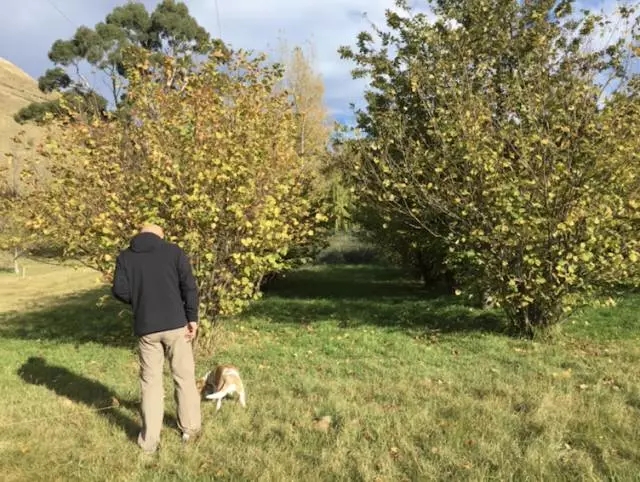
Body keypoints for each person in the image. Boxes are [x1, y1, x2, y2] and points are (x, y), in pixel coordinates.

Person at [111, 223, 201, 453]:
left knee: (150, 383)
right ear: (160, 235)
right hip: (176, 325)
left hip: (147, 328)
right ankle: (189, 429)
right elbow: (189, 287)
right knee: (184, 377)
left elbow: (119, 290)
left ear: (140, 235)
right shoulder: (173, 251)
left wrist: (140, 300)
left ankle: (149, 441)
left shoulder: (125, 256)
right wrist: (192, 318)